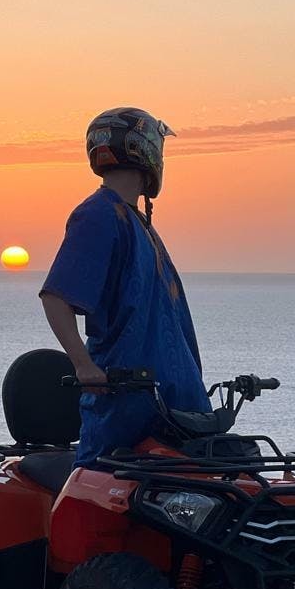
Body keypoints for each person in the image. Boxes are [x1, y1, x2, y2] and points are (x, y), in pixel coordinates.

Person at [39, 106, 212, 466]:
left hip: (174, 402)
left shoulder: (137, 223)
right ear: (147, 152)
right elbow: (57, 296)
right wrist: (83, 365)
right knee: (103, 494)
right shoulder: (99, 215)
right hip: (127, 402)